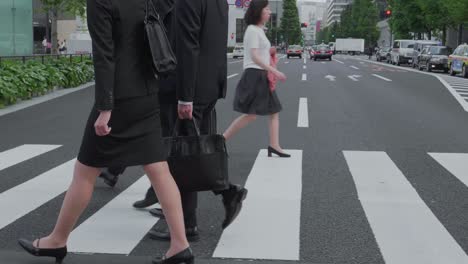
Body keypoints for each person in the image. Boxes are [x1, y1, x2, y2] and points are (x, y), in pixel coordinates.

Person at [18, 1, 192, 264]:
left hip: (120, 97)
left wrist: (105, 108)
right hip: (147, 92)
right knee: (158, 169)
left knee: (85, 171)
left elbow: (104, 54)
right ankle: (180, 245)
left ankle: (57, 240)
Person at [99, 0, 248, 242]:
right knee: (194, 147)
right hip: (211, 83)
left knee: (183, 153)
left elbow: (188, 45)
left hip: (190, 86)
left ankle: (190, 222)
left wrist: (185, 96)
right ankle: (220, 194)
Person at [222, 0, 289, 158]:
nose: (269, 12)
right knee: (251, 115)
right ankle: (221, 140)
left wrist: (271, 51)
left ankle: (274, 145)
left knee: (274, 111)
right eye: (266, 9)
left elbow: (261, 52)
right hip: (255, 75)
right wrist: (274, 71)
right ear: (258, 11)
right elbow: (254, 56)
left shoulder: (259, 30)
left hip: (261, 75)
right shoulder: (252, 30)